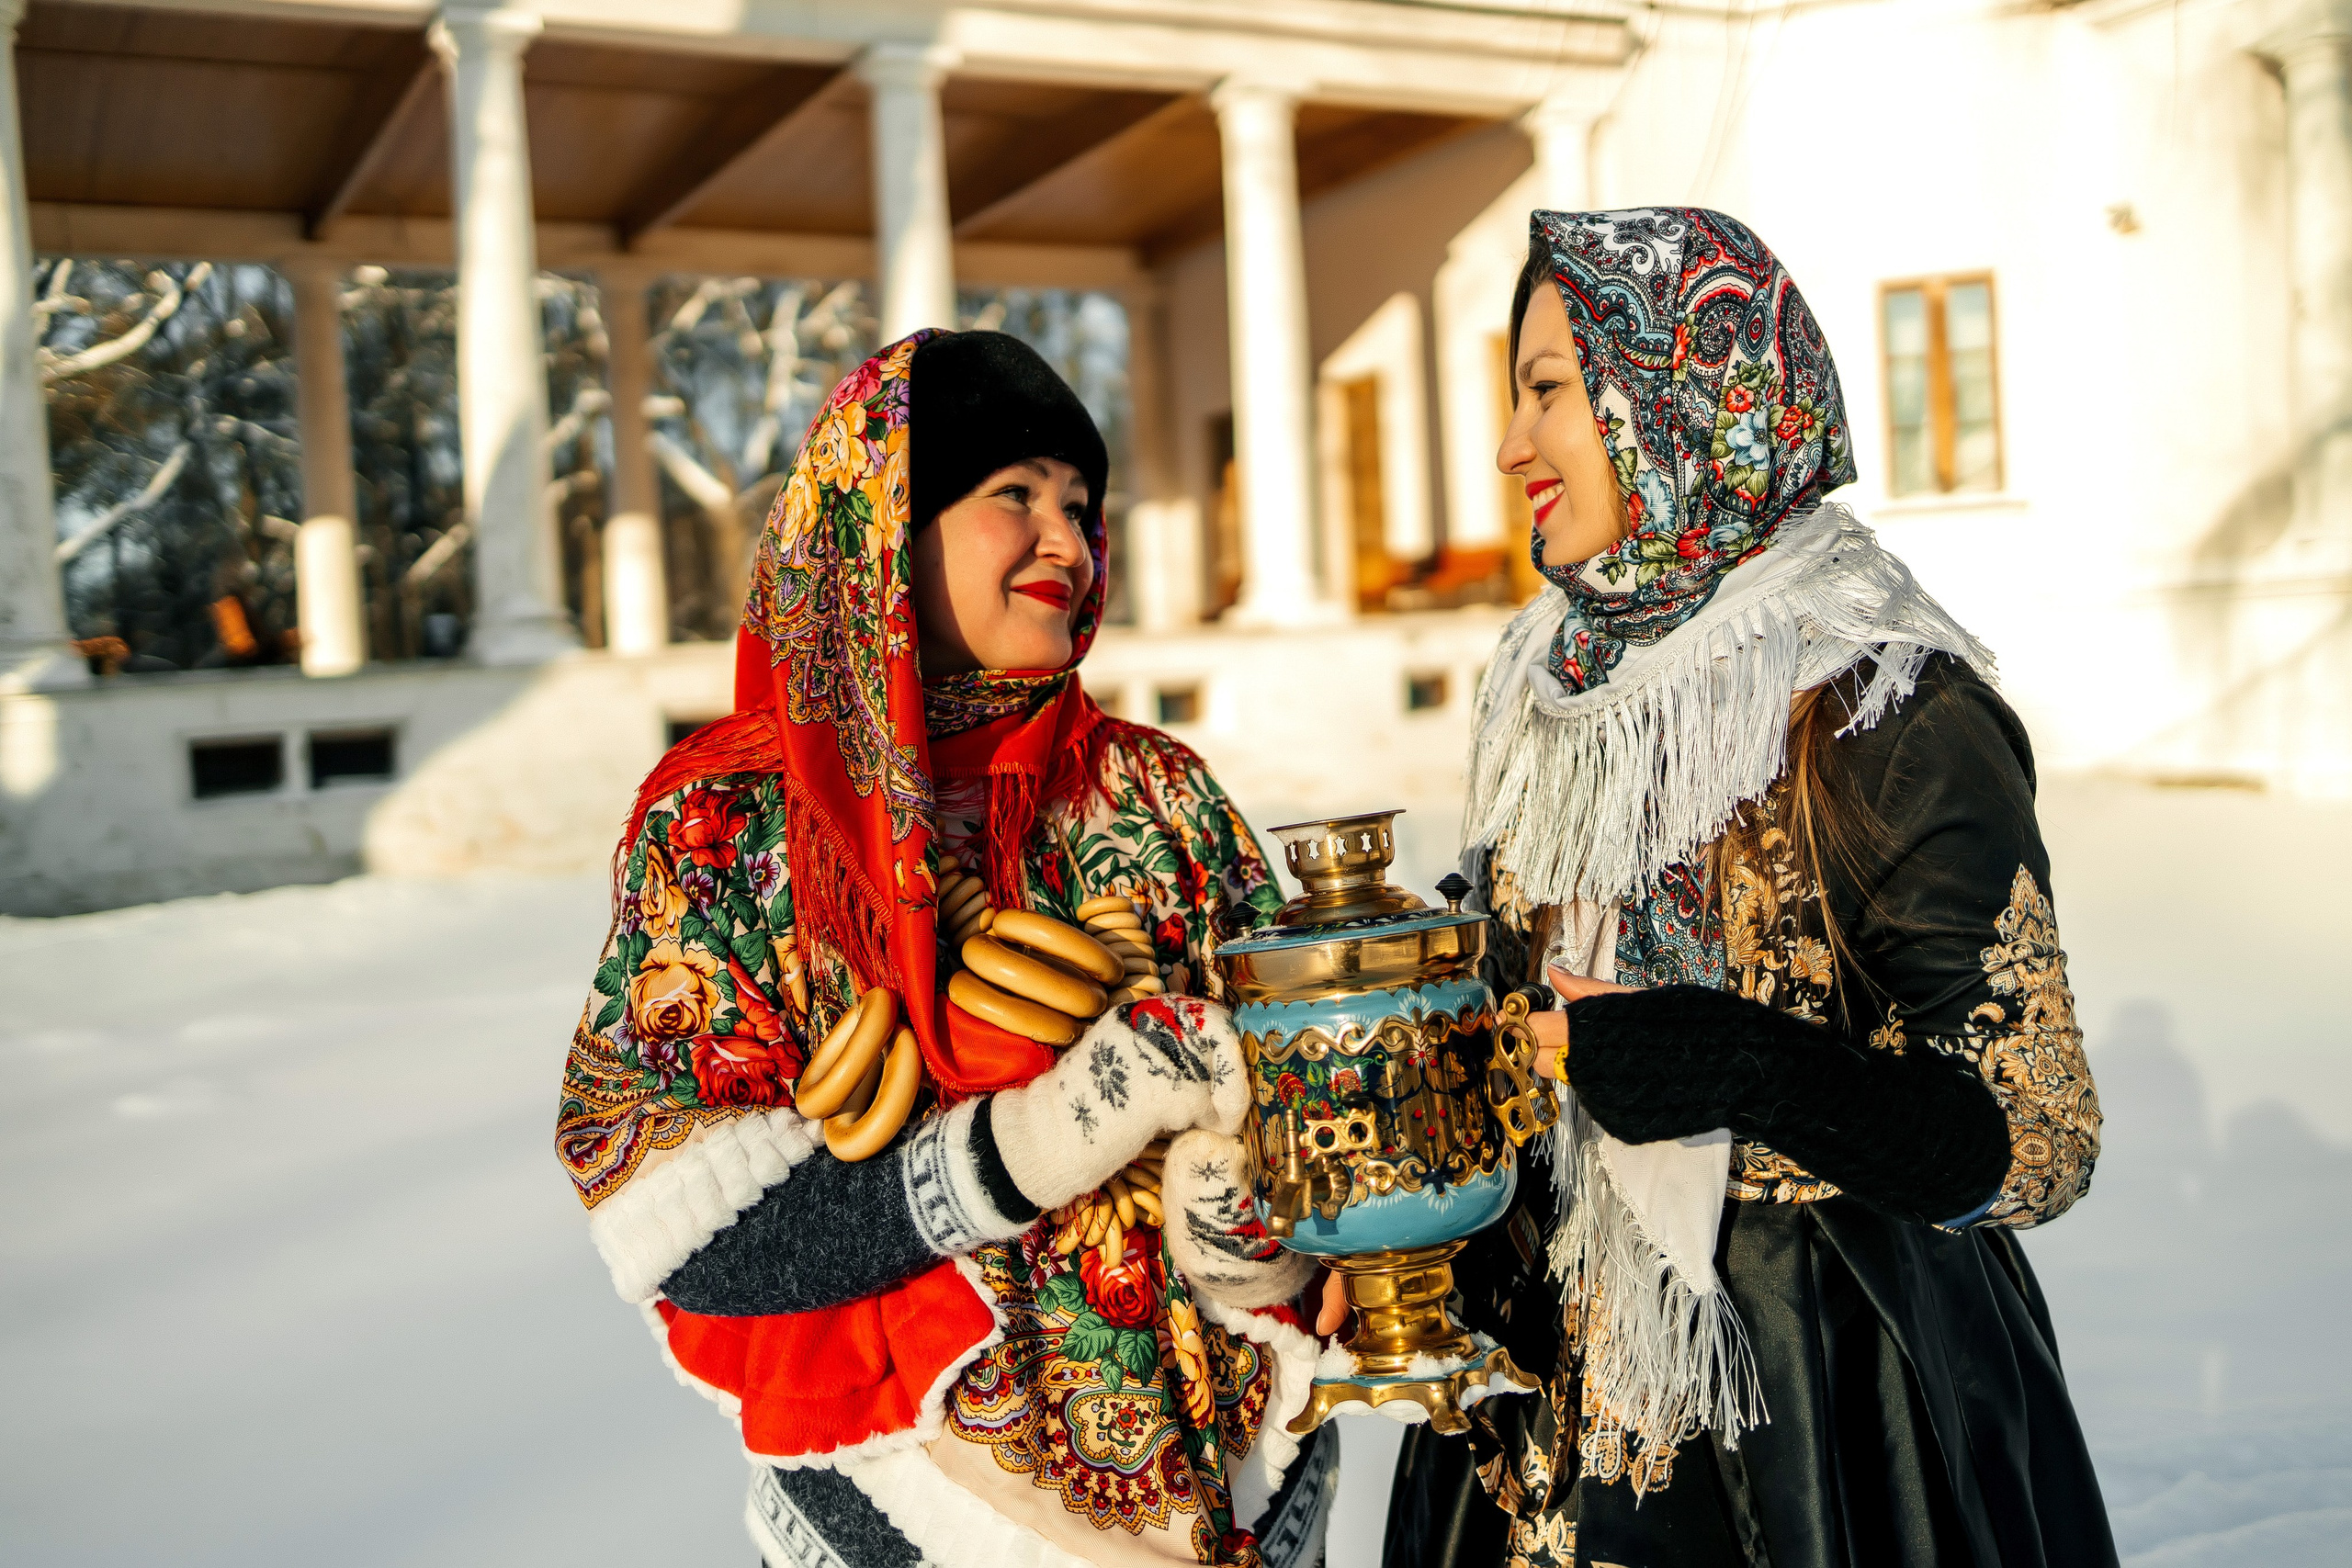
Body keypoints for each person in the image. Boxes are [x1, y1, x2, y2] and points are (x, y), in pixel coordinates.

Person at [1384, 209, 2116, 1568]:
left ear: (1676, 386)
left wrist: (1746, 1065)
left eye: (1549, 391)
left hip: (1829, 1406)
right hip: (1557, 1384)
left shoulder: (1884, 701)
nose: (1511, 446)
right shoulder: (1550, 685)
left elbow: (2039, 1138)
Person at [556, 331, 1331, 1568]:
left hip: (1241, 1497)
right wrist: (1038, 1138)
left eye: (1079, 504)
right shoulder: (738, 827)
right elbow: (690, 1229)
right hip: (920, 1512)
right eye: (1014, 494)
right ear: (883, 533)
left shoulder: (1160, 795)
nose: (1068, 543)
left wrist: (1247, 1243)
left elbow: (1310, 1123)